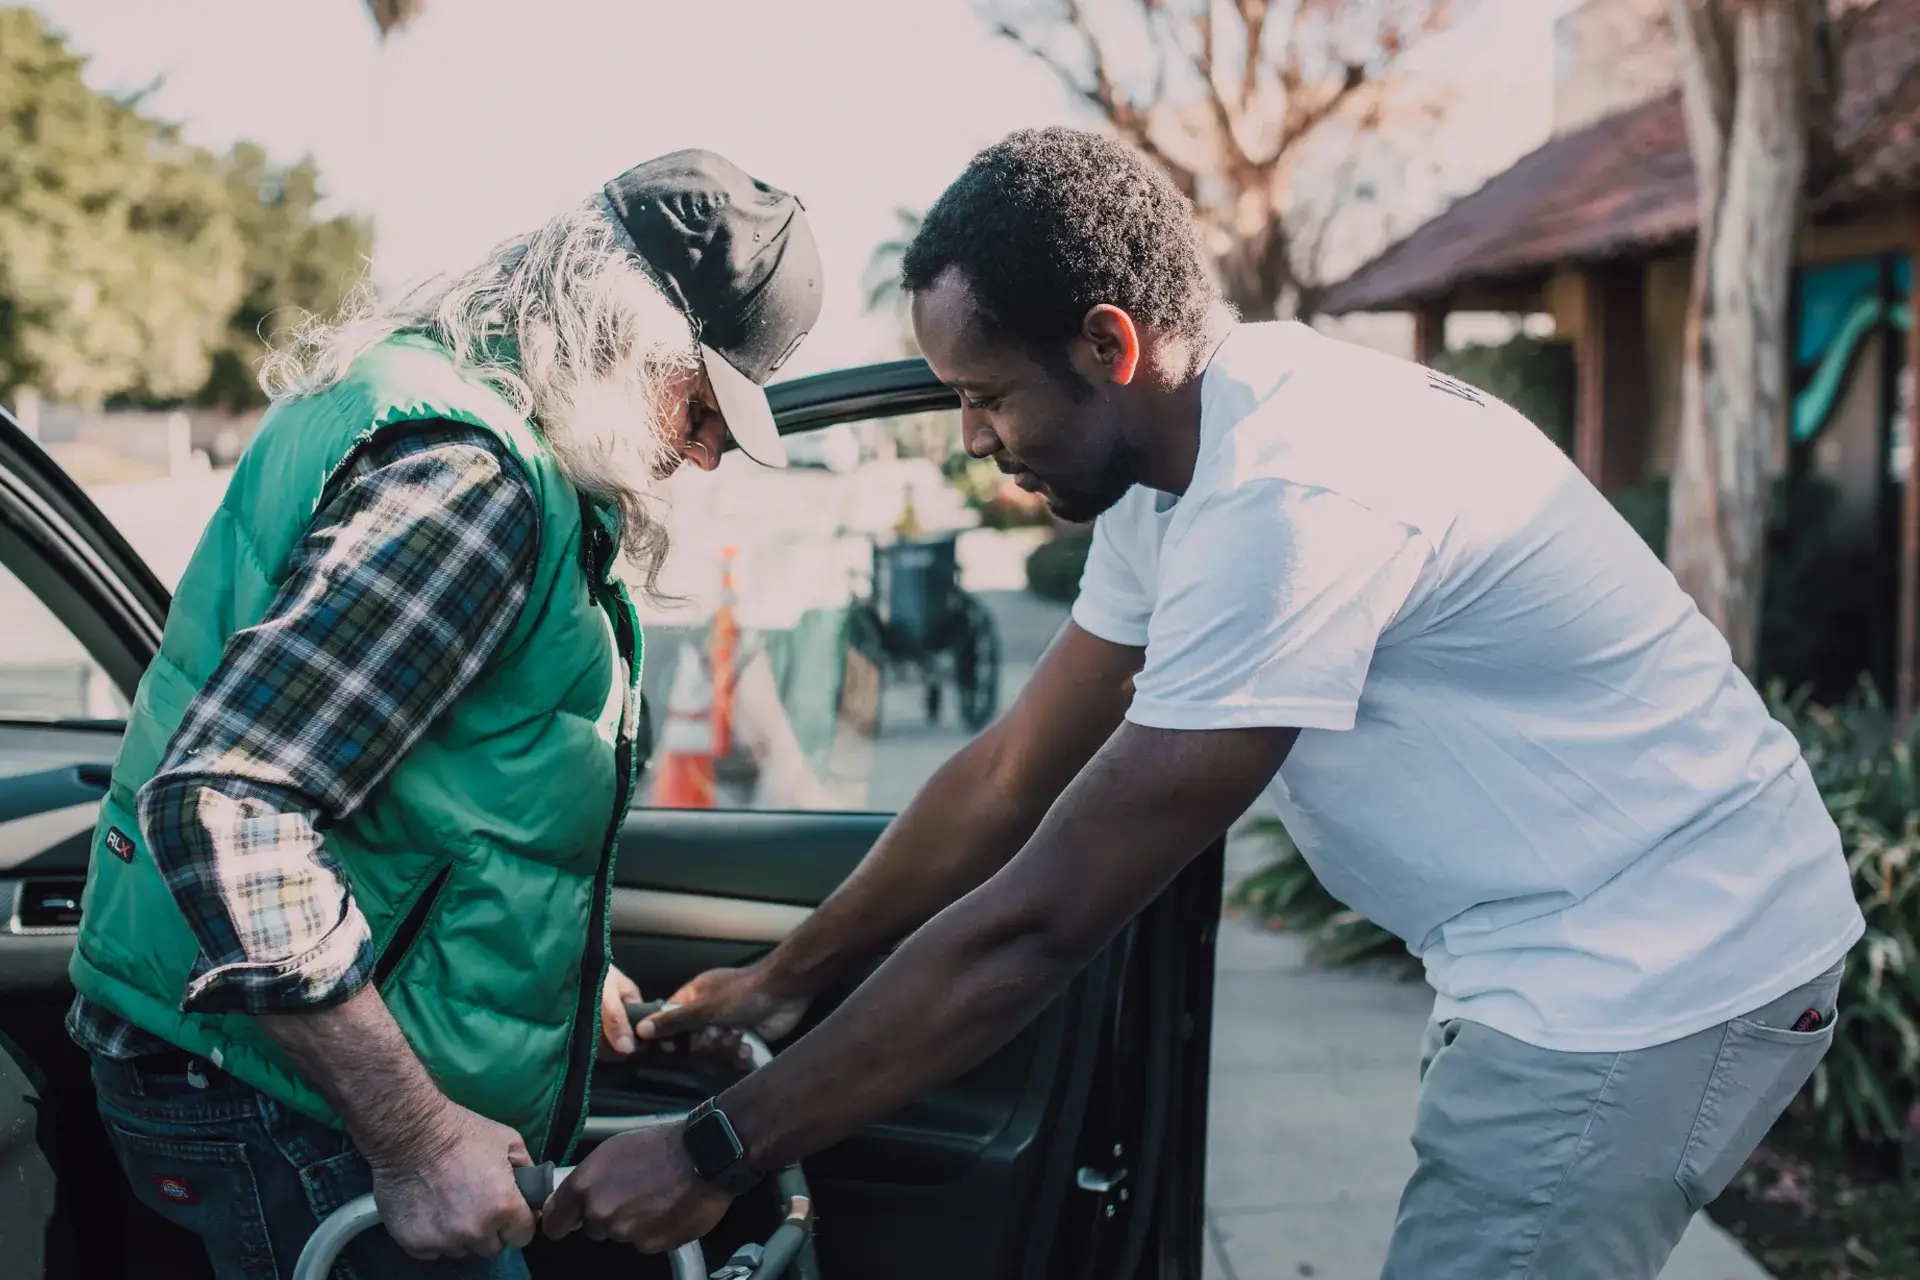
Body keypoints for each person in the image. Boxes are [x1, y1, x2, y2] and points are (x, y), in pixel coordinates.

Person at [543, 128, 1866, 1280]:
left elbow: (1043, 921)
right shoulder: (1182, 465)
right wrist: (785, 981)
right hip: (1556, 949)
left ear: (1110, 345)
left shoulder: (1291, 494)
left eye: (986, 396)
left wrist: (718, 1151)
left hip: (1660, 968)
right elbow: (1011, 777)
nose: (971, 438)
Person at [66, 150, 821, 1279]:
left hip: (240, 1060)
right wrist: (416, 1136)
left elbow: (418, 787)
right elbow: (230, 804)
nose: (707, 450)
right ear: (627, 333)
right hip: (286, 1104)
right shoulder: (471, 483)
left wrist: (554, 971)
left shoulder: (420, 399)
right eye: (703, 400)